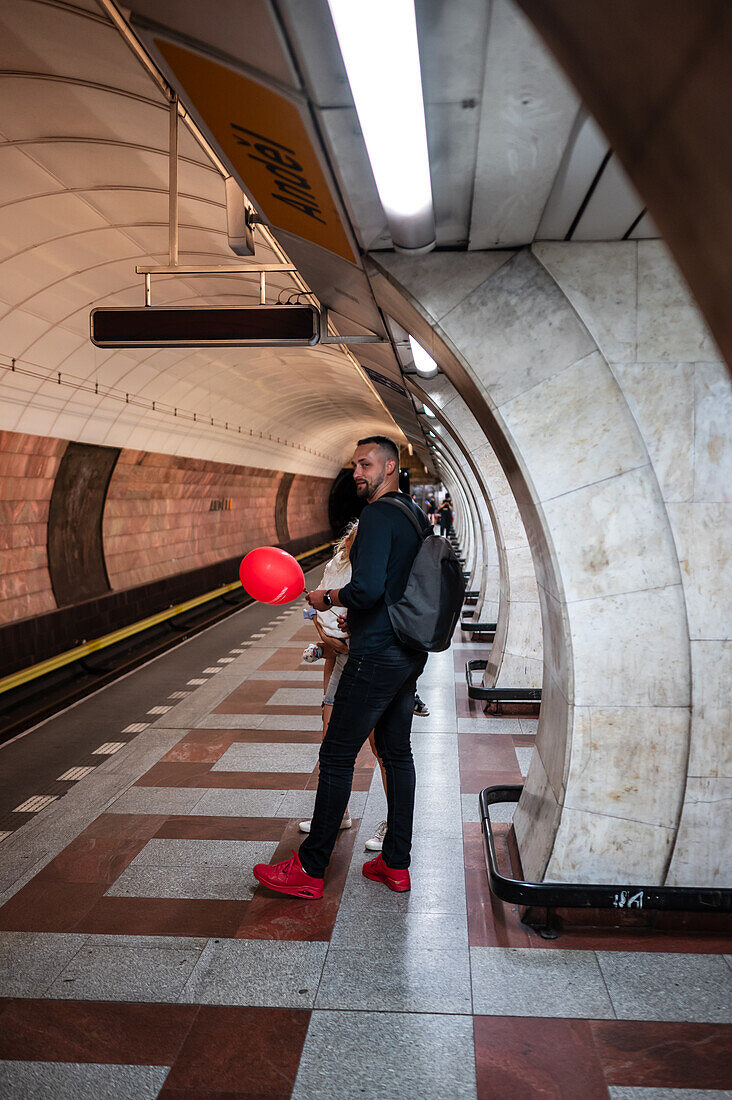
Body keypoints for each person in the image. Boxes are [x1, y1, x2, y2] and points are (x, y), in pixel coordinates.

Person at [253, 435, 432, 898]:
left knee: (336, 755)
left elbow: (367, 588)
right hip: (407, 651)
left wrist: (327, 598)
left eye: (366, 464)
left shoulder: (376, 515)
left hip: (375, 653)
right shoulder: (413, 514)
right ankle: (396, 863)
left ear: (390, 467)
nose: (357, 472)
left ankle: (311, 869)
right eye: (355, 464)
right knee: (396, 754)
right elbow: (394, 585)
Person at [299, 520, 389, 850]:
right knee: (331, 744)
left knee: (381, 748)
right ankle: (337, 814)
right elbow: (318, 609)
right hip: (337, 659)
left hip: (371, 662)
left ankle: (391, 825)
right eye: (352, 539)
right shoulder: (336, 565)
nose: (354, 544)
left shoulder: (379, 565)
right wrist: (325, 639)